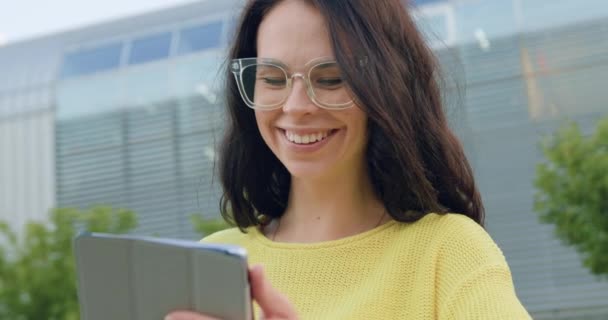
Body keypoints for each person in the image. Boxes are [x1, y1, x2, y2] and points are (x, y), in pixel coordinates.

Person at [166, 0, 532, 319]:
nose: (295, 107)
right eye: (272, 79)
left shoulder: (449, 252)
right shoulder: (213, 262)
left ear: (387, 86)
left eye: (330, 78)